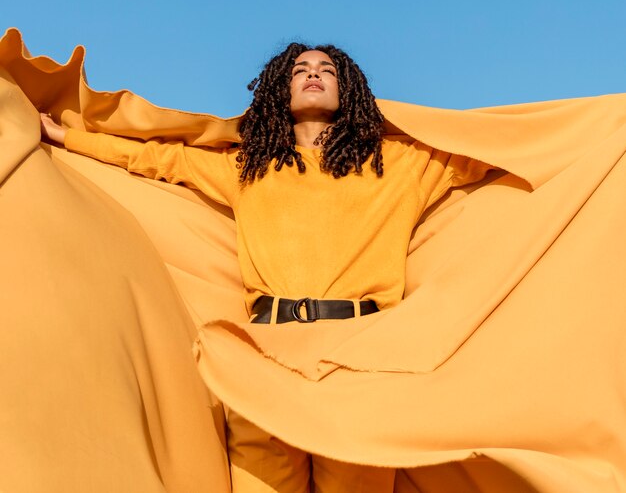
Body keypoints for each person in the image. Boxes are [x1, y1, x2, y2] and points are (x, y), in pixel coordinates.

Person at [41, 42, 492, 492]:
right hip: (265, 360)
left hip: (362, 361)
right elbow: (161, 159)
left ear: (350, 90)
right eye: (300, 69)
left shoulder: (403, 165)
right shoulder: (247, 167)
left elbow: (496, 151)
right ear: (280, 89)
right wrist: (68, 138)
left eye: (327, 70)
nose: (313, 74)